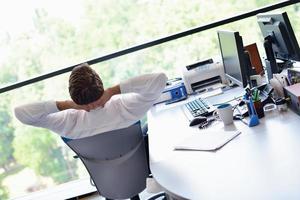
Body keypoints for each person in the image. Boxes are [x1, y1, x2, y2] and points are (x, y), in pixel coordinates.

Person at [14, 63, 167, 140]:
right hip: (139, 172)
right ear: (101, 84)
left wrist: (67, 105)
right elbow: (160, 80)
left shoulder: (68, 124)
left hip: (105, 183)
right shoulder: (126, 108)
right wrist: (112, 91)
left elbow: (21, 113)